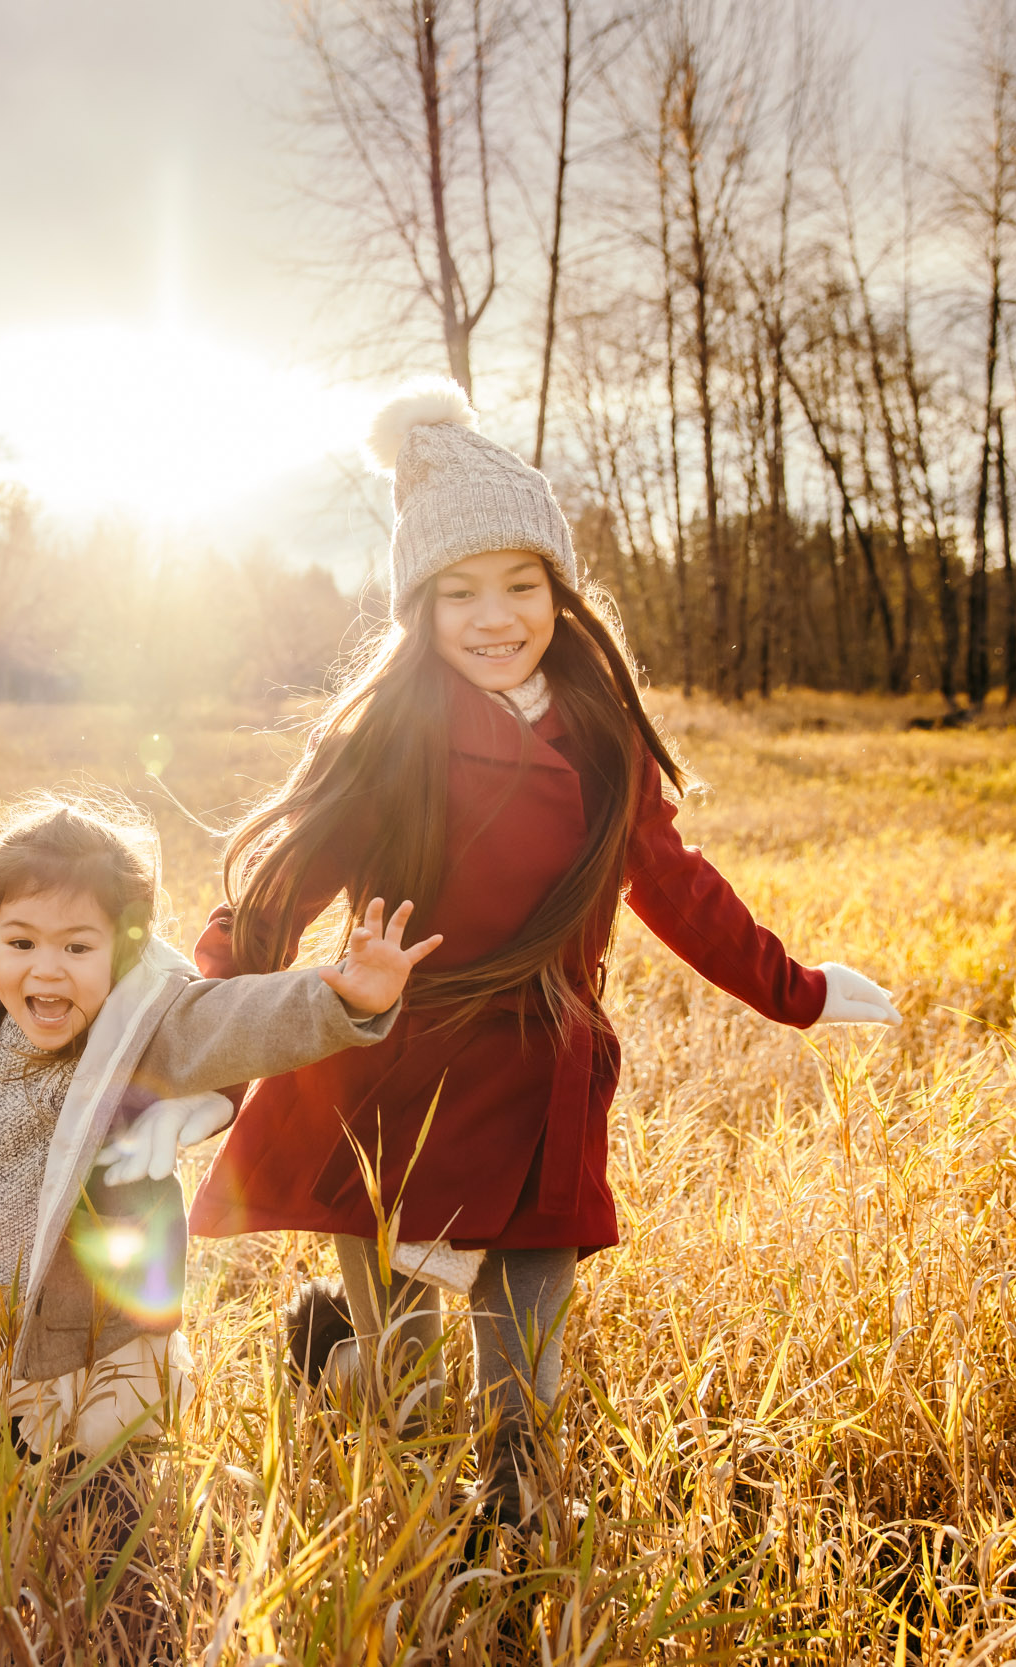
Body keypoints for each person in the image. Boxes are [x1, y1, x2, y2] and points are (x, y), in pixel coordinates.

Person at [181, 378, 901, 1532]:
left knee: (523, 1399)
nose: (494, 614)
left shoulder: (601, 736)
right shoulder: (385, 741)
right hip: (387, 1089)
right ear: (421, 608)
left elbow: (675, 885)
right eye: (459, 590)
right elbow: (270, 900)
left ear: (560, 594)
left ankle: (514, 1559)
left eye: (521, 583)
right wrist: (203, 1060)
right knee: (402, 1391)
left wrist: (796, 988)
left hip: (536, 1084)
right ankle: (334, 1360)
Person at [0, 793, 433, 1619]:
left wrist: (346, 997)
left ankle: (125, 1630)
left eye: (76, 947)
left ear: (122, 949)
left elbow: (244, 1018)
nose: (46, 970)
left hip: (100, 1343)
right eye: (21, 943)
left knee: (110, 1545)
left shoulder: (145, 1029)